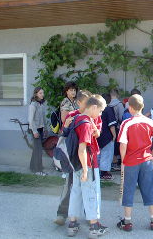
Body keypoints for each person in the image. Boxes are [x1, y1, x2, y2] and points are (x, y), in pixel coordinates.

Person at [116, 94, 153, 232]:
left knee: (128, 190)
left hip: (130, 161)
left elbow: (123, 145)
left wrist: (123, 161)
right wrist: (151, 155)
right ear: (142, 107)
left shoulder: (126, 123)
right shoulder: (150, 122)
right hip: (146, 160)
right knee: (149, 188)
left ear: (130, 108)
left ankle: (127, 222)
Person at [67, 94, 108, 238]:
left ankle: (72, 224)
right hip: (87, 164)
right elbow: (82, 148)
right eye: (100, 111)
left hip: (76, 164)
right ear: (94, 107)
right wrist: (85, 169)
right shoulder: (85, 123)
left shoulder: (78, 119)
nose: (100, 114)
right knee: (91, 194)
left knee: (76, 192)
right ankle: (94, 227)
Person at [54, 90, 97, 226]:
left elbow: (97, 134)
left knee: (87, 188)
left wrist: (94, 128)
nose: (90, 105)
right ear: (79, 103)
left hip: (86, 159)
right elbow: (64, 135)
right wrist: (66, 127)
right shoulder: (72, 115)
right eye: (86, 102)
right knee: (69, 186)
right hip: (73, 159)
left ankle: (87, 216)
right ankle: (62, 214)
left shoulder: (93, 116)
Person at [97, 94, 118, 181]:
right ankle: (104, 173)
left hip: (97, 135)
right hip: (107, 135)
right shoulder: (108, 109)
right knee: (107, 154)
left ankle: (97, 171)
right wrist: (114, 135)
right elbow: (111, 125)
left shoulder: (96, 109)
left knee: (98, 155)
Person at [28, 87, 48, 176]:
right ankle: (38, 170)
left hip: (40, 129)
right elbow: (30, 120)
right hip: (34, 129)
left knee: (36, 149)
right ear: (36, 94)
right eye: (40, 93)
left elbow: (43, 118)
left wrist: (45, 128)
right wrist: (34, 131)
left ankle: (32, 166)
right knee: (38, 150)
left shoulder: (41, 105)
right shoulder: (33, 105)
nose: (42, 95)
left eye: (43, 93)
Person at [109, 89, 125, 171]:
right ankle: (115, 163)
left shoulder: (107, 104)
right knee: (117, 145)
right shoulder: (119, 104)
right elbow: (121, 117)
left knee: (110, 145)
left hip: (108, 127)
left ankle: (111, 162)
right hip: (117, 127)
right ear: (117, 95)